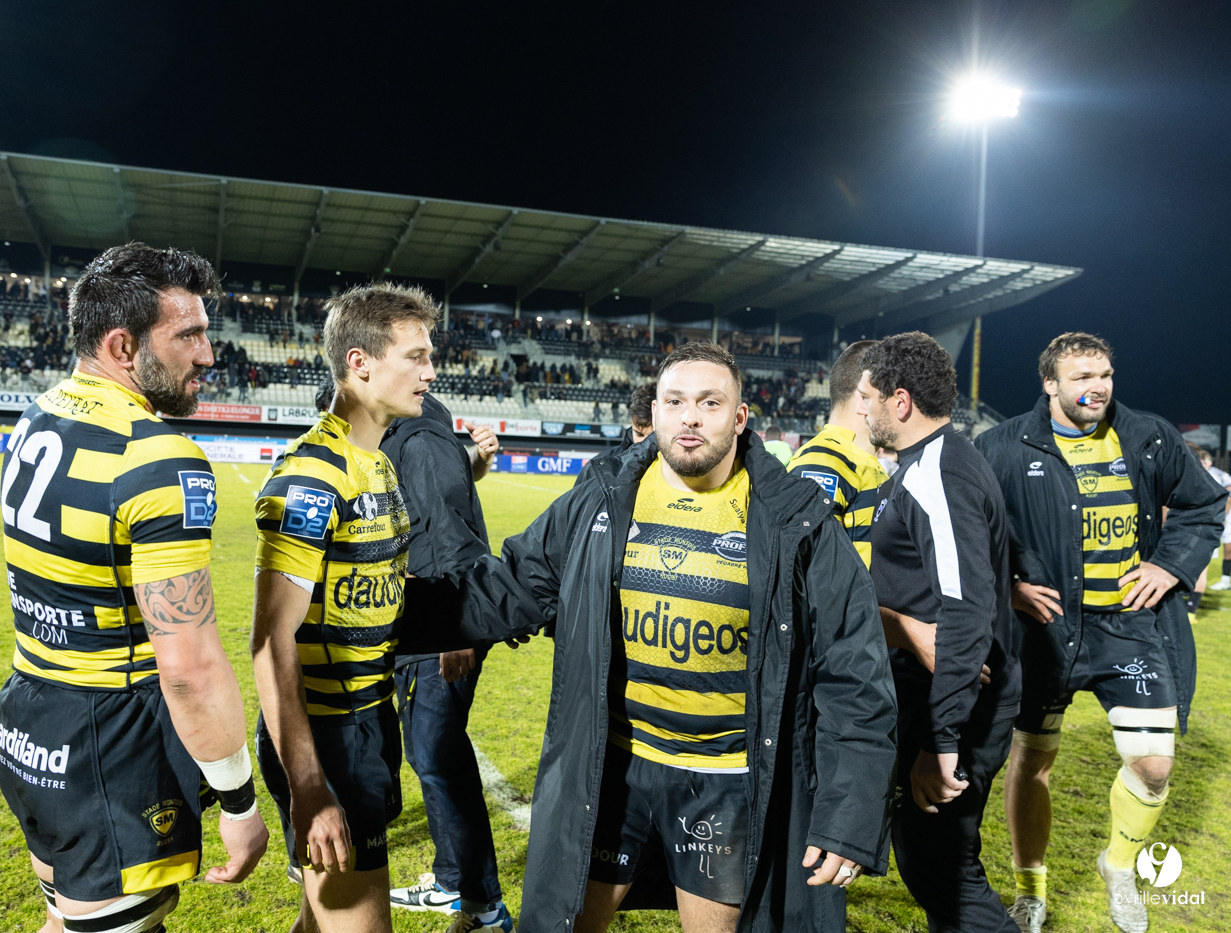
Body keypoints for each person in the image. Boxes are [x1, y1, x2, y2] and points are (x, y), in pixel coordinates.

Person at [403, 342, 897, 933]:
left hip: (724, 782)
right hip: (612, 770)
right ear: (655, 412)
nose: (691, 418)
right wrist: (381, 616)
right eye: (676, 401)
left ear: (740, 418)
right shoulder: (603, 496)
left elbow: (854, 671)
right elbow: (509, 585)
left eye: (710, 403)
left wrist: (849, 813)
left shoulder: (796, 519)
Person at [0, 243, 269, 933]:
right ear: (122, 346)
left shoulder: (38, 414)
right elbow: (189, 667)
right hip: (106, 743)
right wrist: (239, 802)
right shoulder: (157, 459)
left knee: (67, 919)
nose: (208, 355)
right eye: (189, 335)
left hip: (30, 717)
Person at [974, 332, 1226, 933]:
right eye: (1082, 376)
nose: (1098, 387)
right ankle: (1030, 891)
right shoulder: (1001, 445)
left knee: (1154, 768)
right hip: (1045, 628)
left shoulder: (1148, 435)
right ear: (1050, 384)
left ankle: (1119, 865)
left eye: (1105, 374)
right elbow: (971, 528)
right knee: (1032, 761)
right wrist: (1008, 586)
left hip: (1129, 626)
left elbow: (1202, 505)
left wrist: (1169, 566)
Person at [249, 282, 439, 933]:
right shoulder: (312, 476)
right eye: (415, 357)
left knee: (321, 919)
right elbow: (271, 640)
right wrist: (309, 785)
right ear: (360, 363)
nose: (430, 372)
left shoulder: (376, 464)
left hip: (368, 718)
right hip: (326, 734)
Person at [858, 331, 1021, 933]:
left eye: (869, 397)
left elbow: (965, 609)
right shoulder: (936, 463)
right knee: (928, 859)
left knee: (944, 870)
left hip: (954, 704)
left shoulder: (938, 474)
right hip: (946, 695)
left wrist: (940, 741)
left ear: (900, 402)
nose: (861, 409)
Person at [382, 396, 513, 933]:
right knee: (430, 757)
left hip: (438, 627)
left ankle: (483, 904)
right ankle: (452, 882)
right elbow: (440, 494)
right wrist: (477, 462)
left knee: (439, 760)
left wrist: (453, 627)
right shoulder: (414, 429)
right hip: (424, 622)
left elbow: (449, 529)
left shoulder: (416, 433)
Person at [787, 340, 889, 567]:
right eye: (892, 395)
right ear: (864, 398)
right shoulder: (825, 459)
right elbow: (807, 567)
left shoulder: (857, 460)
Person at [573, 382, 655, 488]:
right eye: (639, 434)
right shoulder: (596, 470)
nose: (644, 444)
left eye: (653, 437)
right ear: (631, 422)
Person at [1192, 445, 1231, 594]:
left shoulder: (1218, 475)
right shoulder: (1193, 474)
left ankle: (1225, 580)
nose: (1205, 464)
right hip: (1204, 517)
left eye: (1207, 461)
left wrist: (1222, 517)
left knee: (1227, 548)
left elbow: (1228, 497)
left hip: (1223, 516)